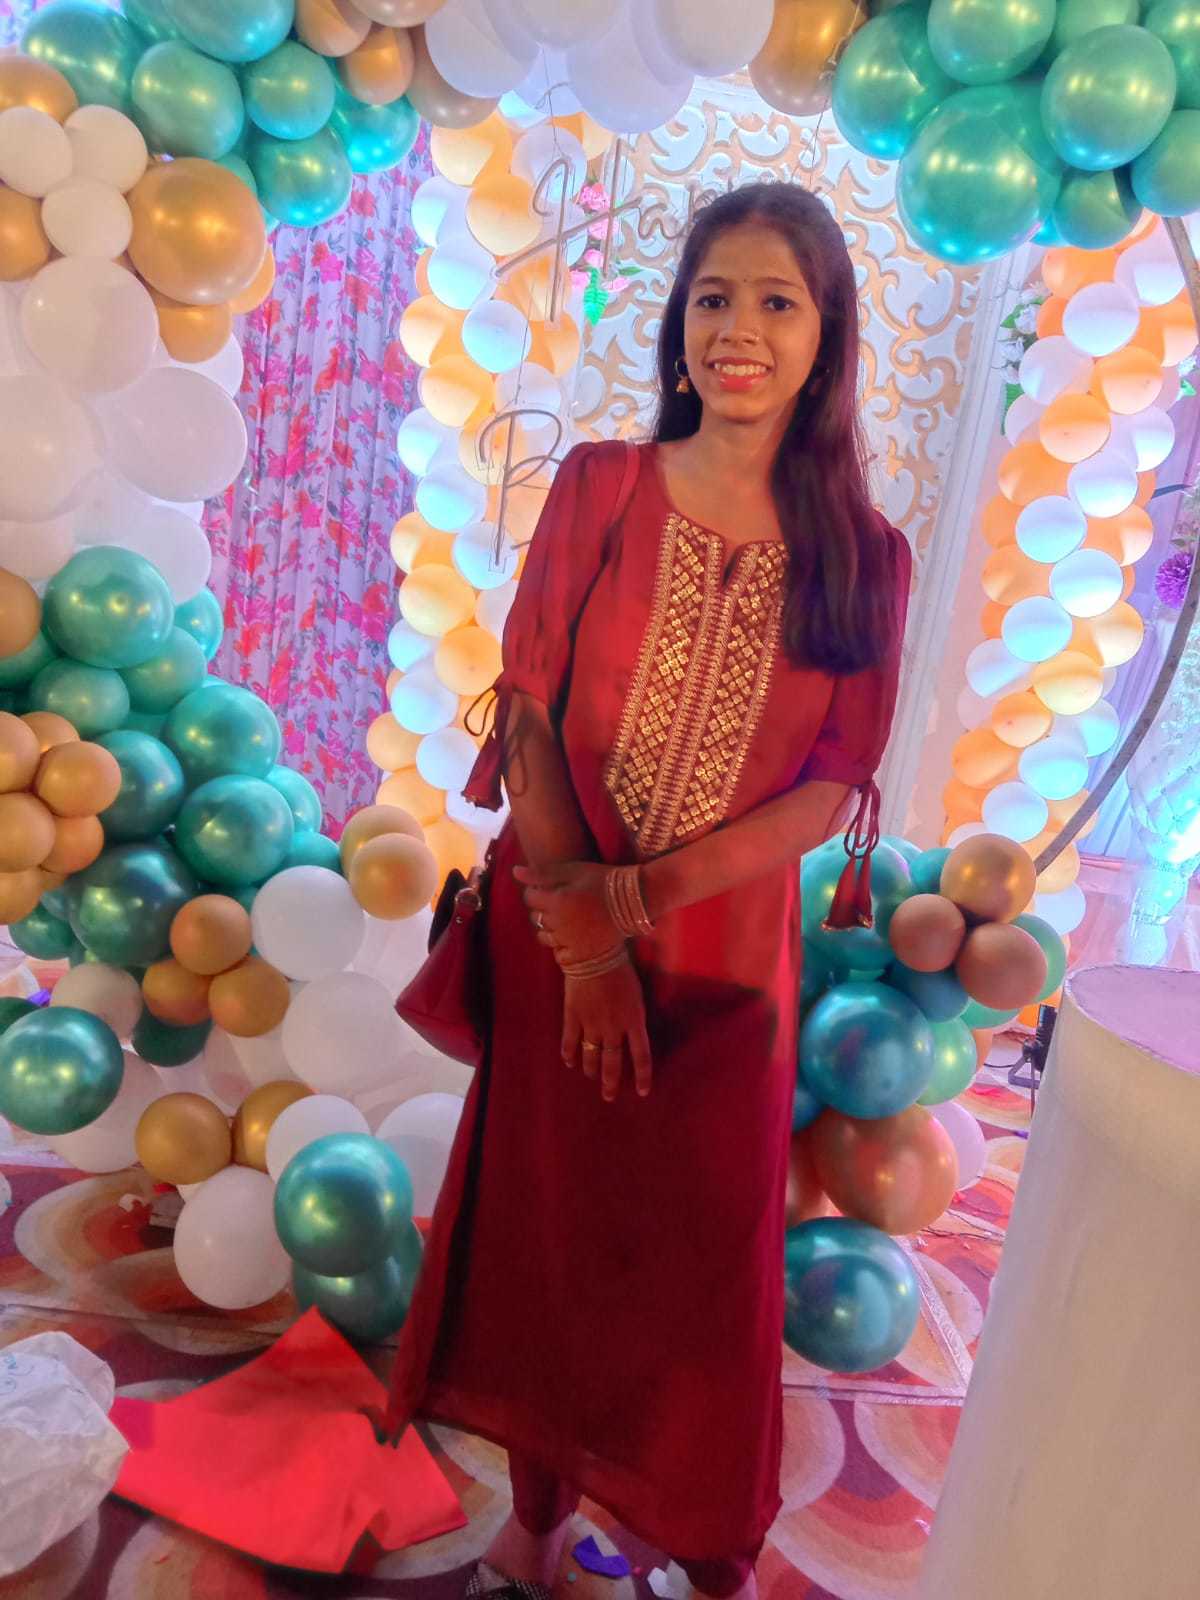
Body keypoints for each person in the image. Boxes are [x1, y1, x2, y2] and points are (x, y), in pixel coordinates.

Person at [388, 181, 912, 1599]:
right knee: (553, 1234)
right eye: (714, 297)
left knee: (699, 1270)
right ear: (680, 324)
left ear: (826, 336)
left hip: (727, 968)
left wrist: (637, 907)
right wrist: (588, 944)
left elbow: (829, 784)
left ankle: (698, 1540)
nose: (740, 329)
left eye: (778, 302)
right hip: (559, 931)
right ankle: (535, 1521)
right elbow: (533, 714)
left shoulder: (867, 557)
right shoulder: (601, 486)